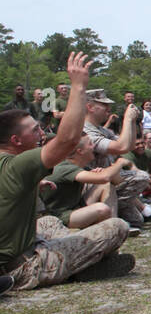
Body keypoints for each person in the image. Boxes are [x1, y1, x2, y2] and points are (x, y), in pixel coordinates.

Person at [0, 53, 133, 291]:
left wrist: (32, 187)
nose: (41, 133)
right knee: (117, 227)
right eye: (35, 130)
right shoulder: (18, 165)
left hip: (9, 255)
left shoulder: (9, 166)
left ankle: (81, 261)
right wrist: (78, 87)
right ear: (16, 140)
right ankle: (81, 266)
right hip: (25, 266)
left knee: (49, 221)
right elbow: (68, 140)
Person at [84, 90, 151, 226]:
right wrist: (127, 119)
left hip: (110, 180)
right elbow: (120, 147)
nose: (108, 109)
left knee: (137, 220)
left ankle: (130, 210)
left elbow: (128, 145)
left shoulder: (101, 130)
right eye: (103, 105)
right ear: (90, 107)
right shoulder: (85, 131)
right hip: (92, 185)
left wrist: (132, 122)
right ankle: (105, 217)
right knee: (141, 177)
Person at [38, 134, 125, 229]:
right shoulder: (65, 167)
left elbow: (118, 181)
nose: (94, 146)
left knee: (106, 186)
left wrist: (101, 173)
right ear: (80, 151)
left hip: (74, 209)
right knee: (101, 209)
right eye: (90, 144)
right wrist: (119, 163)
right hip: (59, 216)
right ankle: (111, 229)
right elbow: (105, 177)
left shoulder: (80, 166)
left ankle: (114, 227)